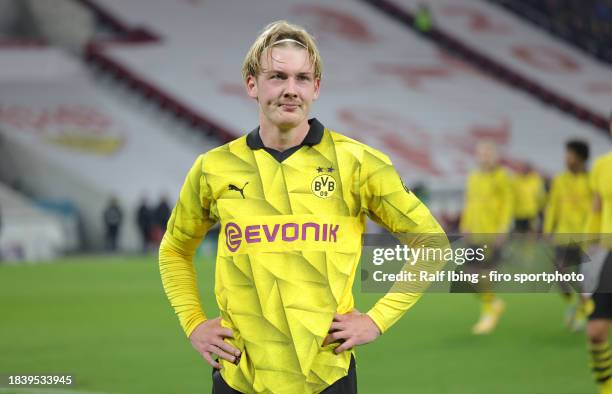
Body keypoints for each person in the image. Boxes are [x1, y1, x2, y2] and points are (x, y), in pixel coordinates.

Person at [158, 20, 447, 394]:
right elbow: (175, 249)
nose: (290, 90)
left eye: (302, 78)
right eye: (277, 77)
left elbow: (432, 244)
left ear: (316, 88)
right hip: (239, 377)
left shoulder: (360, 163)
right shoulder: (213, 167)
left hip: (325, 377)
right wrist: (194, 323)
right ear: (252, 84)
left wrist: (376, 321)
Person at [459, 141, 513, 335]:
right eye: (481, 153)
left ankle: (488, 312)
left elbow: (507, 205)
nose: (484, 156)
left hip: (491, 233)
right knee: (470, 276)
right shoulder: (473, 177)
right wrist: (465, 224)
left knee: (484, 274)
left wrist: (502, 229)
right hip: (474, 233)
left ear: (496, 156)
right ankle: (493, 303)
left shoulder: (502, 177)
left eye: (488, 153)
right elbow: (469, 202)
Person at [543, 140, 593, 331]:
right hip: (563, 235)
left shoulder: (591, 180)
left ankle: (582, 308)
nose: (566, 159)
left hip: (586, 237)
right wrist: (548, 228)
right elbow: (553, 205)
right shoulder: (560, 180)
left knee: (582, 277)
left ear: (580, 158)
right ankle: (574, 302)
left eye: (570, 155)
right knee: (558, 273)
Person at [585, 112, 612, 394]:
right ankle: (607, 387)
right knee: (595, 332)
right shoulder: (602, 166)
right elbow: (595, 209)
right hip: (609, 255)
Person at [512, 162, 545, 233]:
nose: (524, 170)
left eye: (526, 169)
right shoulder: (516, 180)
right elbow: (512, 196)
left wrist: (541, 207)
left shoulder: (535, 180)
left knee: (530, 233)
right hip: (518, 213)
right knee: (519, 233)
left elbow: (540, 196)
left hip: (531, 213)